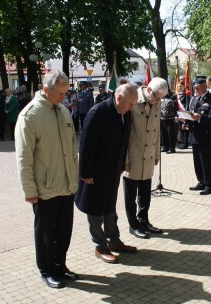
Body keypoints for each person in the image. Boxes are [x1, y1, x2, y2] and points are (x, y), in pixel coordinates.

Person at [15, 70, 78, 289]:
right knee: (45, 233)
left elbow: (71, 150)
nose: (63, 97)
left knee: (64, 231)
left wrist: (74, 180)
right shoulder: (30, 115)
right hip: (44, 188)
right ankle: (47, 270)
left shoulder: (63, 111)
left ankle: (60, 265)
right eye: (59, 93)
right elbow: (24, 157)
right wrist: (29, 190)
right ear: (45, 90)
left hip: (66, 185)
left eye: (65, 93)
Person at [75, 83, 138, 264]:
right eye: (130, 104)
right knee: (95, 209)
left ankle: (114, 241)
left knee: (109, 206)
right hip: (95, 172)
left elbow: (124, 139)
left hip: (113, 169)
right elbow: (86, 145)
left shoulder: (125, 112)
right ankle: (100, 246)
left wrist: (123, 162)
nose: (132, 107)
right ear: (119, 98)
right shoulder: (98, 113)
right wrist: (85, 173)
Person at [124, 78, 168, 240]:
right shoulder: (133, 101)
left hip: (148, 156)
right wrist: (125, 158)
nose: (158, 101)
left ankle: (144, 220)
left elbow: (156, 132)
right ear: (148, 90)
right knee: (130, 195)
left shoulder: (156, 103)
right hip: (133, 156)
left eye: (160, 98)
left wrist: (157, 154)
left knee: (145, 193)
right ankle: (133, 224)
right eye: (157, 97)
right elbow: (125, 134)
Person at [181, 77, 211, 195]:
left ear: (204, 86)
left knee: (207, 162)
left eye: (198, 86)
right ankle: (201, 181)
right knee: (197, 161)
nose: (195, 89)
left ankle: (209, 185)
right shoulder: (194, 99)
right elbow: (190, 113)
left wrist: (201, 118)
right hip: (194, 134)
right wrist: (184, 120)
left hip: (205, 135)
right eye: (195, 87)